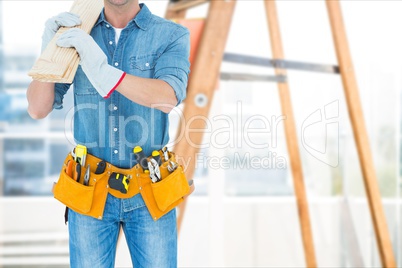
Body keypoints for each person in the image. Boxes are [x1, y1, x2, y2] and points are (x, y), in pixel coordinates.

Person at [26, 1, 190, 267]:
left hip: (150, 188)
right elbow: (37, 108)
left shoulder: (171, 35)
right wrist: (49, 53)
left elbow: (167, 97)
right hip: (90, 188)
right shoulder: (78, 33)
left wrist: (104, 71)